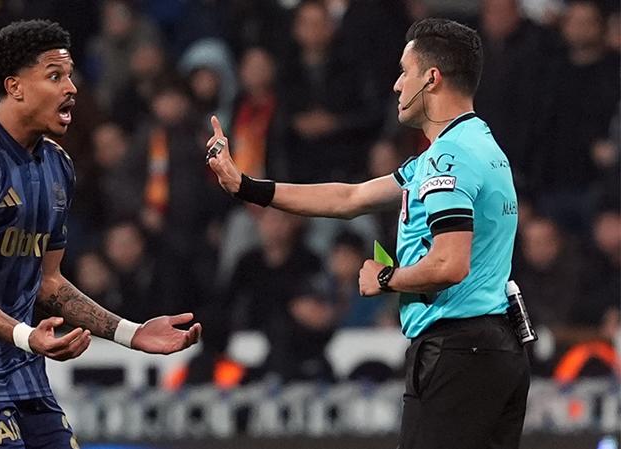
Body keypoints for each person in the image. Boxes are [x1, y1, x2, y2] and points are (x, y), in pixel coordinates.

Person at [207, 18, 529, 449]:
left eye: (405, 71)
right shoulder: (477, 145)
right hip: (494, 347)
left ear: (431, 78)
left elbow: (450, 263)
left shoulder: (448, 159)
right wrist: (246, 186)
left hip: (458, 351)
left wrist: (386, 277)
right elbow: (350, 197)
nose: (396, 84)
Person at [0, 20, 201, 449]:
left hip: (25, 379)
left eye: (70, 75)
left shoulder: (57, 166)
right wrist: (28, 337)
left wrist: (130, 333)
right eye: (54, 76)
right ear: (15, 87)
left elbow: (48, 282)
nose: (71, 88)